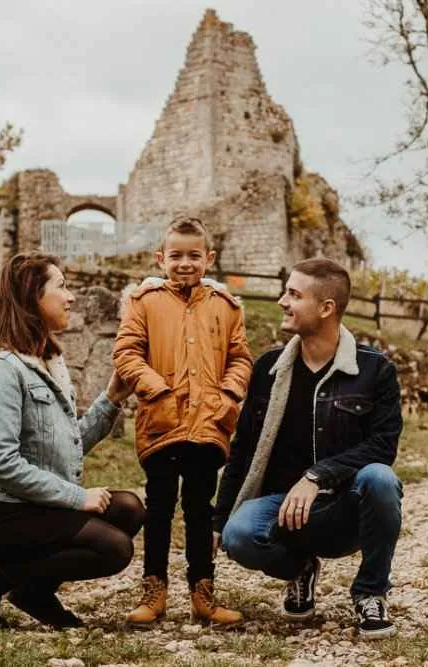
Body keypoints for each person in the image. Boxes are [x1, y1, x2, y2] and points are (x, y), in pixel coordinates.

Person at [213, 258, 403, 638]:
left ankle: (371, 592)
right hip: (284, 511)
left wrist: (317, 477)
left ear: (326, 308)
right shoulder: (269, 369)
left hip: (346, 508)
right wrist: (218, 522)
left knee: (381, 479)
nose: (282, 301)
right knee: (238, 535)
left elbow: (383, 446)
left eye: (294, 295)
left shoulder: (374, 370)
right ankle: (300, 569)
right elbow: (244, 449)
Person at [0, 251, 144, 629]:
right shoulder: (1, 370)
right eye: (61, 286)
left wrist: (111, 399)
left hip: (34, 507)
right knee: (113, 547)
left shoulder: (50, 363)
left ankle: (32, 592)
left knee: (129, 509)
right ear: (32, 296)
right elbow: (0, 462)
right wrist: (77, 497)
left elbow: (67, 446)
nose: (70, 297)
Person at [113, 216, 253, 627]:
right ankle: (153, 593)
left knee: (199, 511)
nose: (185, 263)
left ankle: (202, 594)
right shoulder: (144, 302)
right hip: (162, 422)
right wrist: (156, 388)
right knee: (158, 508)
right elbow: (126, 352)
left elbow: (240, 358)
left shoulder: (225, 307)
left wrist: (228, 394)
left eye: (194, 255)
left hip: (208, 424)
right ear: (161, 258)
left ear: (209, 258)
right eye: (176, 256)